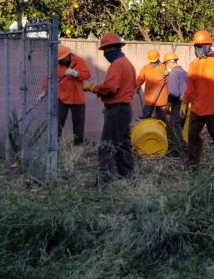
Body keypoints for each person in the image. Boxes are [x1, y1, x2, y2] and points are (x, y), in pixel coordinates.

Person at [83, 33, 136, 185]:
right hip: (123, 109)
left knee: (106, 147)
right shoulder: (127, 63)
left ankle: (103, 182)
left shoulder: (117, 65)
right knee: (123, 147)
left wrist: (92, 87)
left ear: (113, 48)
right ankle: (128, 178)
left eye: (106, 50)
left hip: (117, 110)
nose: (105, 53)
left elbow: (111, 88)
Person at [181, 30, 214, 165]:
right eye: (195, 46)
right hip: (197, 108)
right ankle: (193, 163)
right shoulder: (194, 64)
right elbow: (190, 87)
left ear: (206, 46)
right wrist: (185, 102)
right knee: (192, 135)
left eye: (199, 46)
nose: (196, 49)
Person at [39, 44, 91, 145]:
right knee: (58, 123)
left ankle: (78, 147)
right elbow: (49, 77)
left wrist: (76, 74)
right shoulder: (57, 63)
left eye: (61, 59)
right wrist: (44, 91)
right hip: (62, 97)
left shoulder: (79, 61)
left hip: (78, 98)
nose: (59, 61)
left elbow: (87, 74)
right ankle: (55, 147)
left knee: (79, 125)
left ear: (68, 56)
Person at [162, 51, 188, 155]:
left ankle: (179, 149)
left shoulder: (173, 73)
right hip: (186, 104)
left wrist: (168, 105)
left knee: (174, 124)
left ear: (169, 62)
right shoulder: (184, 72)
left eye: (165, 64)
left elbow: (173, 93)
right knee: (181, 125)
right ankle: (183, 146)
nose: (165, 66)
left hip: (178, 103)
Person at [136, 49, 168, 120]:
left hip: (161, 99)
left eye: (154, 61)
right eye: (151, 62)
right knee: (146, 118)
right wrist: (137, 86)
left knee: (161, 120)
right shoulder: (146, 68)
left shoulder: (164, 68)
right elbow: (140, 78)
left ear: (158, 59)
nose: (152, 63)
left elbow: (170, 82)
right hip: (149, 99)